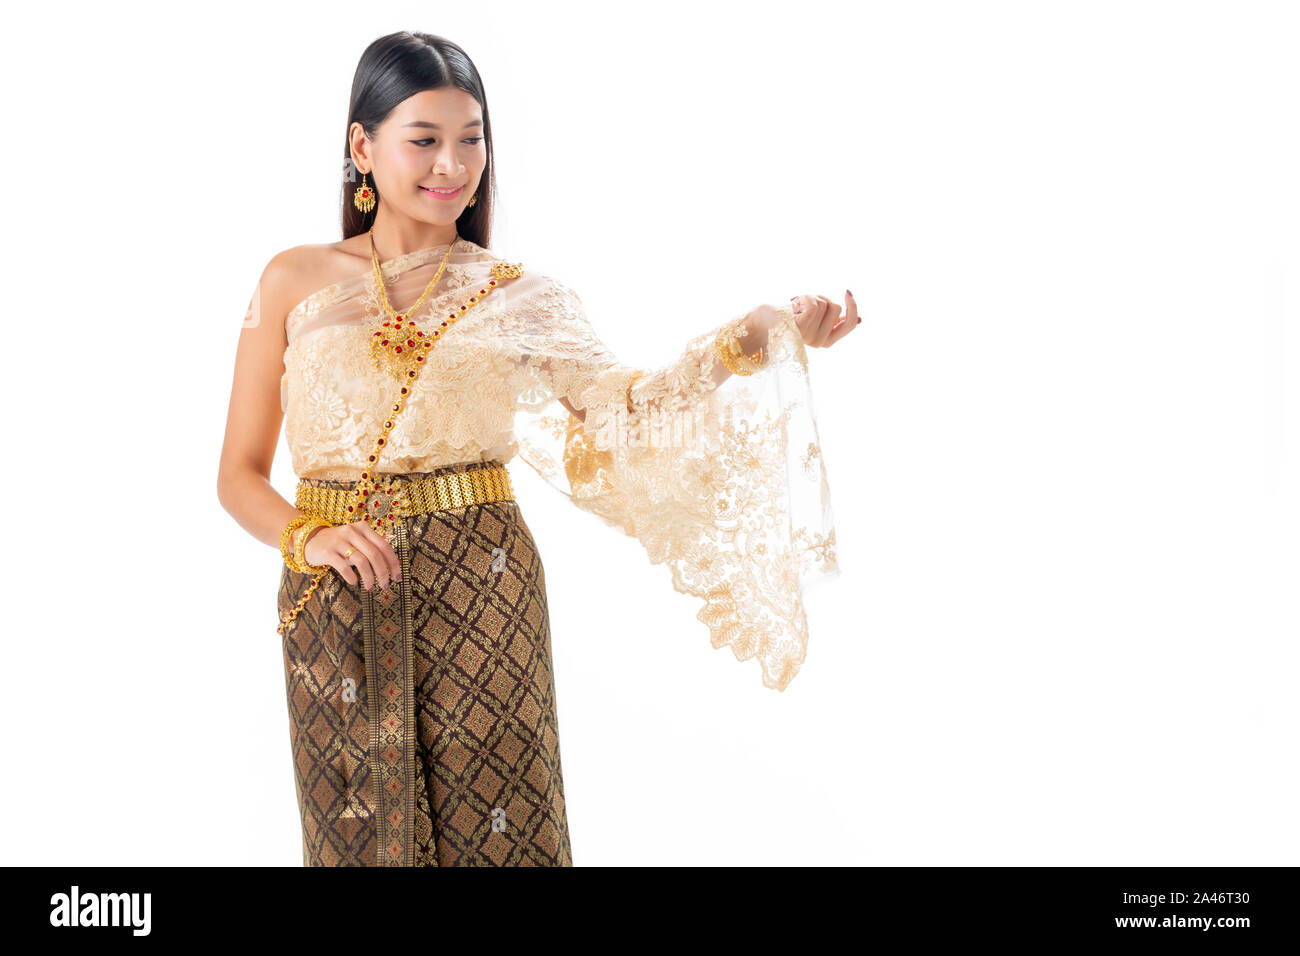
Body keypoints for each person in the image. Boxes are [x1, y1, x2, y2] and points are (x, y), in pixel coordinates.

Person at [216, 30, 858, 867]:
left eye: (471, 140)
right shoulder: (290, 283)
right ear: (361, 147)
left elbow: (628, 410)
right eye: (424, 140)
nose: (452, 164)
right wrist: (311, 535)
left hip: (483, 591)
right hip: (335, 593)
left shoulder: (520, 298)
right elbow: (236, 475)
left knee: (505, 834)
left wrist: (757, 334)